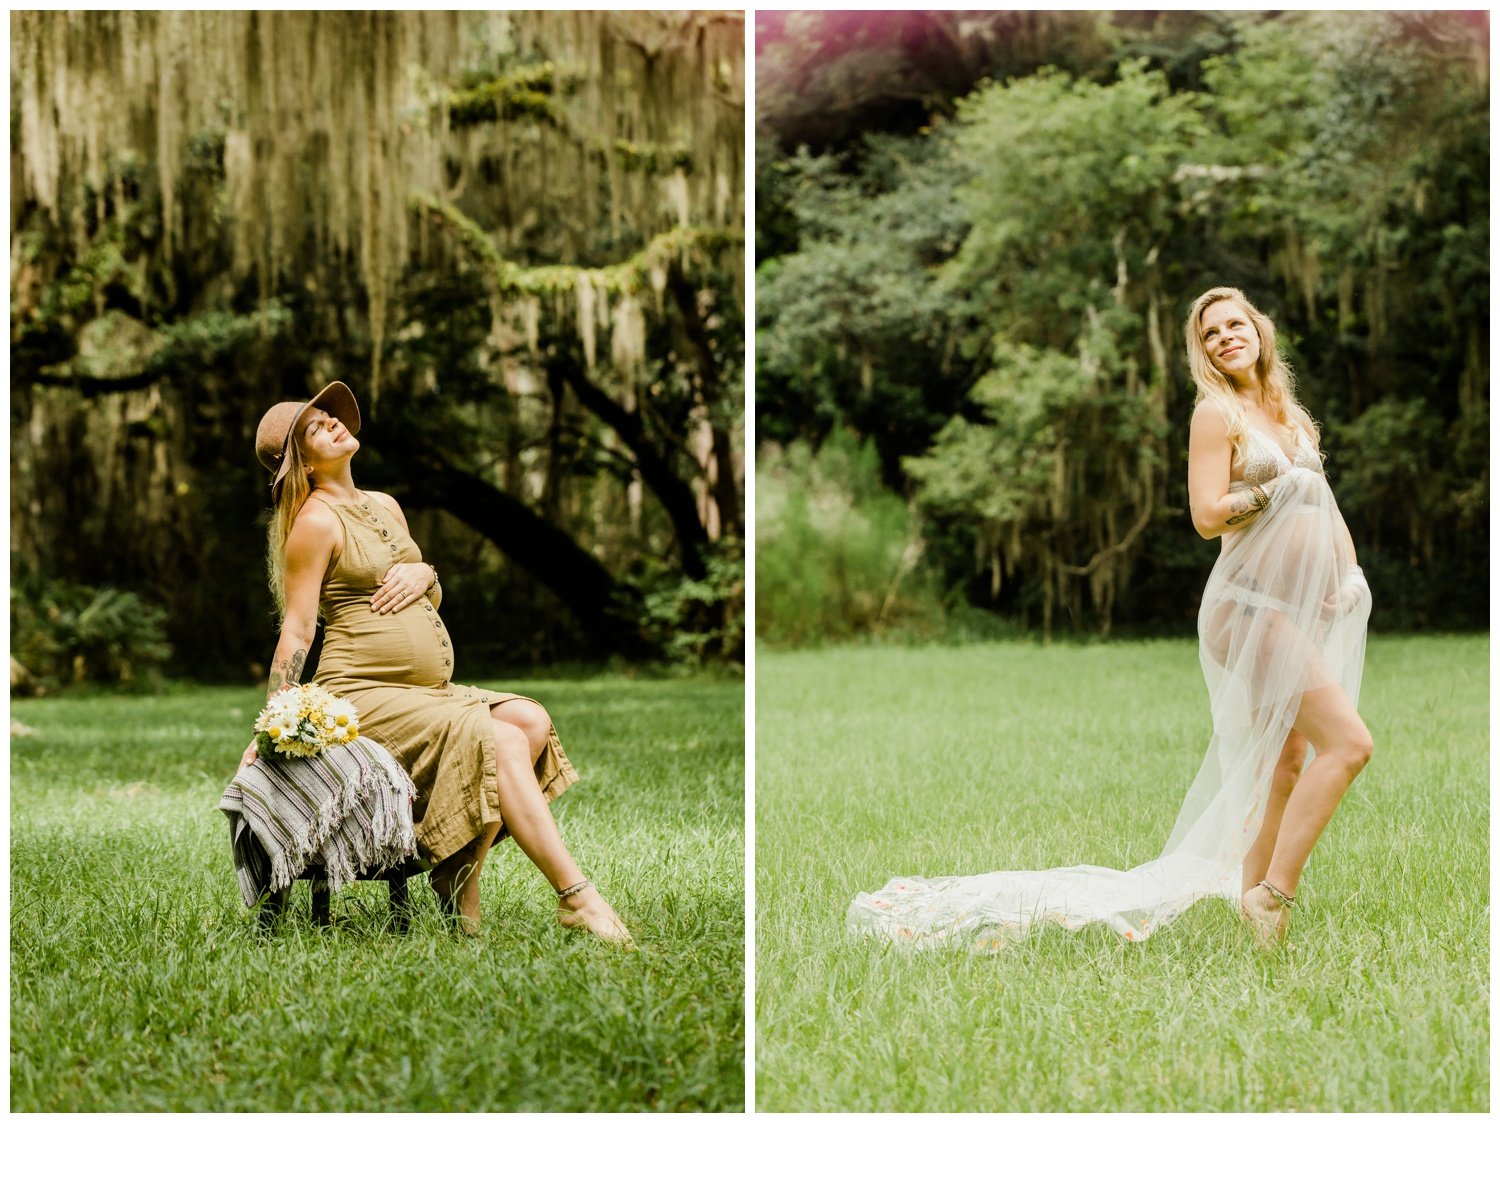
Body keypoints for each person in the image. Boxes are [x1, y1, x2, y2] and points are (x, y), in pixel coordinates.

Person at [848, 287, 1372, 948]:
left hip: (1293, 609)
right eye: (1209, 334)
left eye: (1234, 324)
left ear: (1259, 331)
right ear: (1203, 352)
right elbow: (1208, 515)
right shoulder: (1216, 415)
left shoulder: (1292, 416)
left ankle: (1254, 906)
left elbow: (1323, 506)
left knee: (1288, 760)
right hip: (1248, 608)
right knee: (1349, 744)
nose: (1224, 338)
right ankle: (1273, 895)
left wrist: (1348, 573)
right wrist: (1271, 488)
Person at [240, 381, 632, 944]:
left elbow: (421, 593)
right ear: (299, 460)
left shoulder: (385, 506)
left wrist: (429, 574)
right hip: (361, 694)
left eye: (329, 415)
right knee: (500, 741)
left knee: (529, 722)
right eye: (314, 427)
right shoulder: (315, 522)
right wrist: (275, 721)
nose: (330, 423)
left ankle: (454, 870)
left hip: (426, 692)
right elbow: (299, 628)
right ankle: (576, 897)